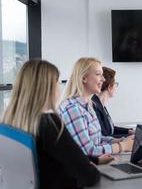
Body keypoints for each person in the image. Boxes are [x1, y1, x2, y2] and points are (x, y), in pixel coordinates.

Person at [2, 60, 100, 189]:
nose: (59, 89)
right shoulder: (49, 123)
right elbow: (89, 177)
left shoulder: (9, 121)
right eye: (57, 83)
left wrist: (95, 160)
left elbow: (53, 155)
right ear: (47, 88)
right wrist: (92, 168)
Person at [58, 57, 133, 157]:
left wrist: (120, 140)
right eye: (98, 74)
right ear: (83, 78)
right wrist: (122, 146)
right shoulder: (73, 109)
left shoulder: (88, 105)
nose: (103, 79)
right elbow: (88, 151)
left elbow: (97, 139)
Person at [92, 66, 134, 137]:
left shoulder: (100, 105)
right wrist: (128, 137)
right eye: (115, 84)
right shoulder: (94, 107)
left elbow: (110, 129)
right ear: (110, 87)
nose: (116, 87)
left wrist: (129, 131)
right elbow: (105, 136)